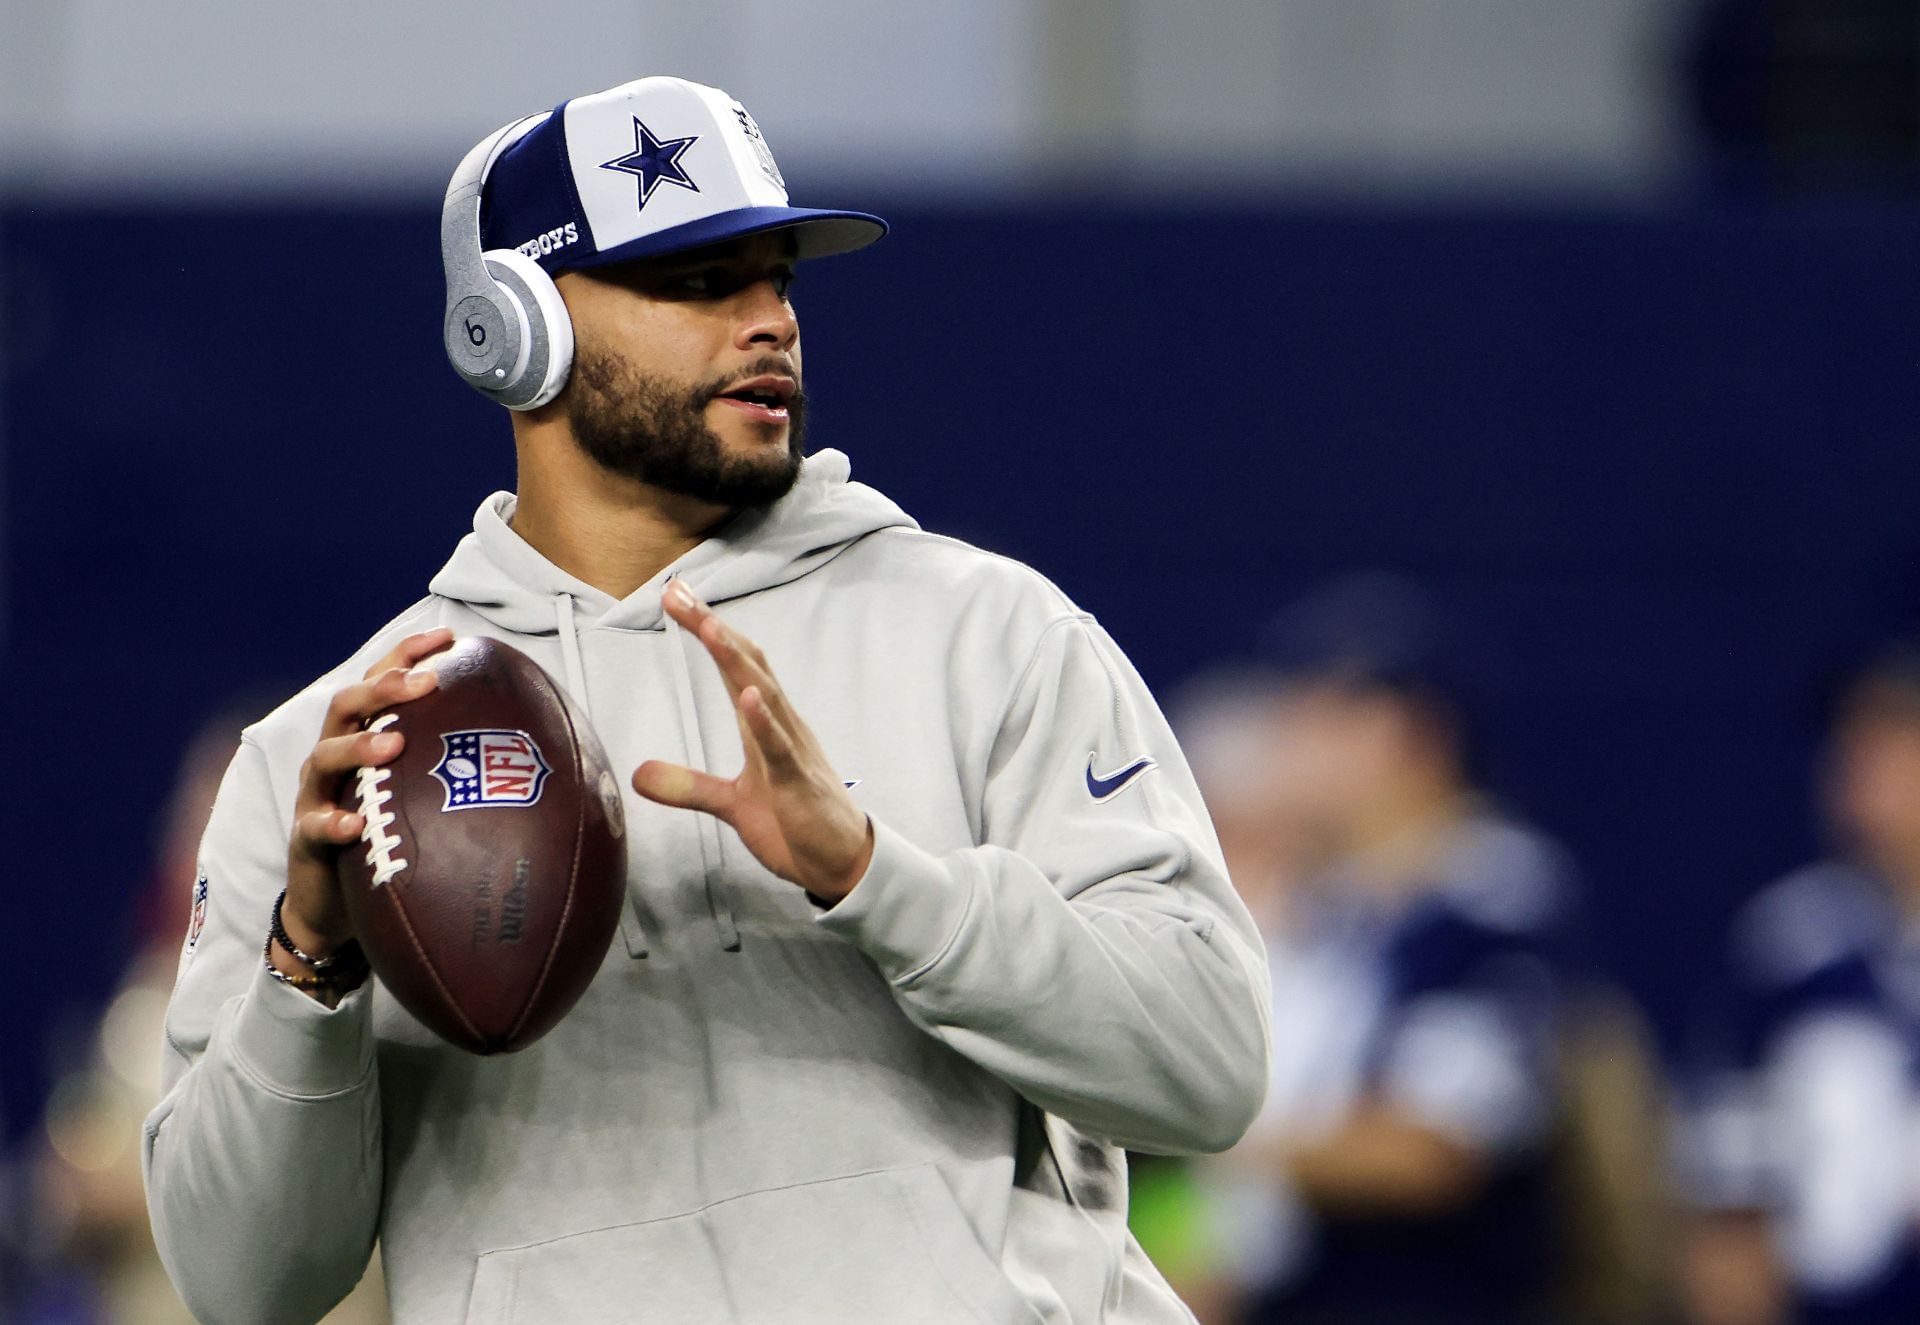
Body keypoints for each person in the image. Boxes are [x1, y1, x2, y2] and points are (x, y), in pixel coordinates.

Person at [140, 75, 1270, 1325]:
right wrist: (313, 959)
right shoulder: (342, 747)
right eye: (694, 282)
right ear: (513, 324)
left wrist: (875, 878)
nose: (768, 323)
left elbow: (1207, 1069)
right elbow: (243, 1287)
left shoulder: (987, 629)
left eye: (778, 276)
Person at [1205, 576, 1585, 1325]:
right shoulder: (1317, 909)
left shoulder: (1492, 897)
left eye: (1323, 715)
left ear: (1410, 736)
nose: (1290, 740)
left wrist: (1202, 1130)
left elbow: (1429, 1150)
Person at [1680, 639, 1920, 1325]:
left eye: (1898, 732)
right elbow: (1726, 1215)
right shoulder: (1792, 939)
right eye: (1854, 734)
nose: (1862, 757)